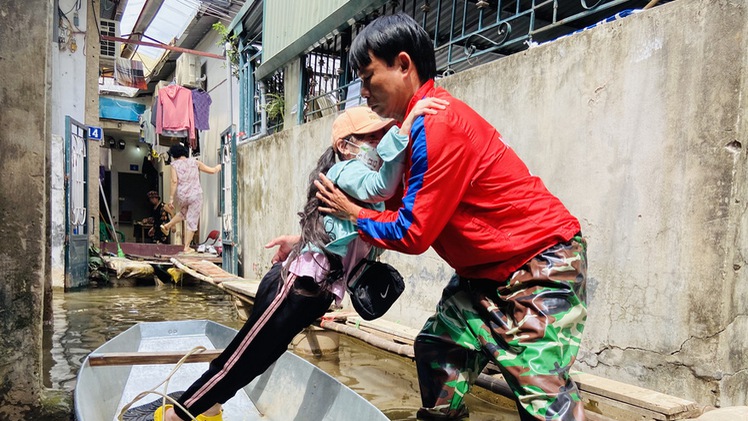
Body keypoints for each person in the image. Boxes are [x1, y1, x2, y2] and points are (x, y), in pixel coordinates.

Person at [295, 13, 586, 421]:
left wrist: (354, 212)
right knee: (436, 348)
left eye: (367, 77)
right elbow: (388, 208)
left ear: (402, 64)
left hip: (539, 264)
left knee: (543, 397)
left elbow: (411, 232)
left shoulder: (438, 125)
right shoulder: (413, 128)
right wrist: (307, 242)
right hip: (483, 273)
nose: (363, 93)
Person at [150, 102, 446, 421]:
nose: (379, 144)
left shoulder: (356, 187)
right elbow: (382, 187)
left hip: (313, 293)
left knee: (263, 355)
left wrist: (297, 240)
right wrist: (406, 127)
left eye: (381, 135)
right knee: (244, 356)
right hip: (295, 287)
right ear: (345, 146)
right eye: (371, 138)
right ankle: (182, 413)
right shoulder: (349, 173)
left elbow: (342, 232)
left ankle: (209, 404)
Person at [159, 144, 221, 253]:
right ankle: (187, 247)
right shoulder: (195, 162)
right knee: (192, 220)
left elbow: (174, 181)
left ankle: (168, 225)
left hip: (182, 195)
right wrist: (220, 166)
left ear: (174, 155)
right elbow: (212, 171)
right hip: (195, 195)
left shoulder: (174, 165)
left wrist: (171, 199)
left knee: (183, 213)